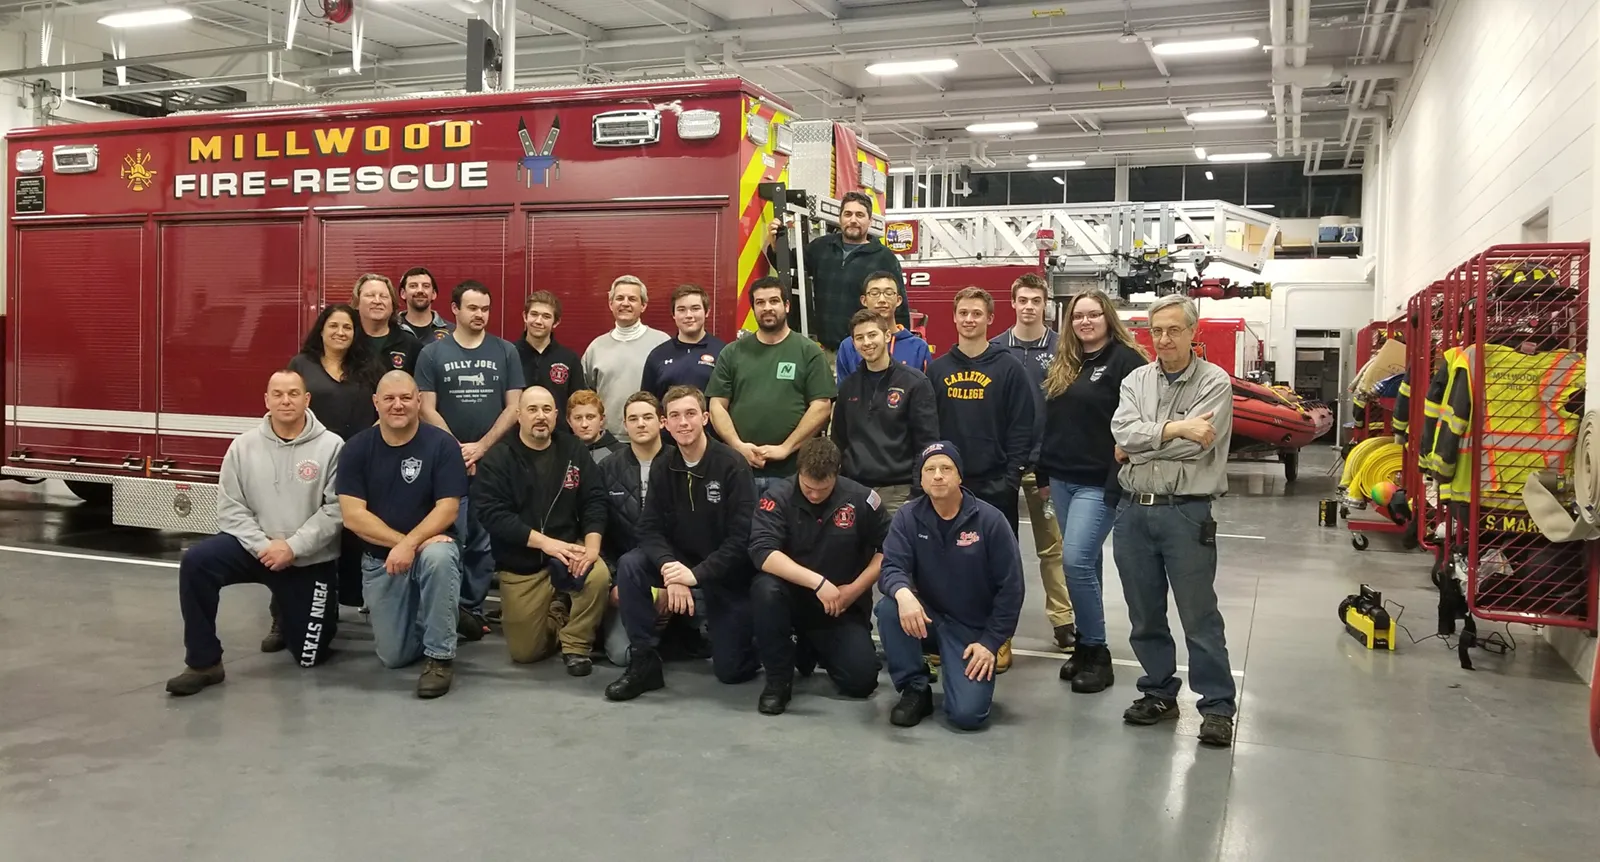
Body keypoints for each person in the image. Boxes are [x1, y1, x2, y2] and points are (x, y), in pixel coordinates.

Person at [166, 369, 344, 696]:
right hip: (255, 551)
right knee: (197, 562)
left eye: (293, 393)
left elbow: (336, 510)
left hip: (307, 559)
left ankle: (290, 607)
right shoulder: (242, 447)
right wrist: (265, 547)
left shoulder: (332, 446)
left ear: (306, 399)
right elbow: (231, 509)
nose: (285, 400)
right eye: (277, 394)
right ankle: (204, 662)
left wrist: (292, 547)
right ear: (266, 400)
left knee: (309, 655)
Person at [1110, 293, 1237, 747]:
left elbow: (1199, 445)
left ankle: (1217, 704)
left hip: (1186, 510)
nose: (1164, 339)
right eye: (1156, 330)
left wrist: (1143, 442)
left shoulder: (1215, 382)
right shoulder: (1136, 380)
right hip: (1132, 510)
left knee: (1199, 615)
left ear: (1192, 332)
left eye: (1174, 330)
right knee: (1144, 613)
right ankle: (1159, 691)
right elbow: (1121, 431)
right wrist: (1178, 427)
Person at [604, 385, 759, 701]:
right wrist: (669, 569)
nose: (683, 422)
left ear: (704, 418)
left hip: (725, 573)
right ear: (665, 423)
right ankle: (644, 663)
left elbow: (741, 539)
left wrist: (695, 575)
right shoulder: (665, 464)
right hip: (678, 563)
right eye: (674, 416)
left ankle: (759, 639)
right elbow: (649, 528)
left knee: (730, 672)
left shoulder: (732, 465)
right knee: (631, 563)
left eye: (690, 414)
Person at [1037, 289, 1149, 693]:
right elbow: (1055, 423)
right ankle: (1084, 647)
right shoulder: (1068, 362)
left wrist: (1117, 474)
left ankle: (1099, 654)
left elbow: (1141, 422)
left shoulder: (1127, 361)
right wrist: (1045, 475)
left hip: (1100, 483)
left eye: (1093, 315)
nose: (1085, 322)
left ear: (1108, 318)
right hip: (1063, 479)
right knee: (1088, 568)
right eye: (1078, 316)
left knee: (1076, 562)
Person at [337, 371, 468, 699]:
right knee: (393, 657)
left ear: (419, 401)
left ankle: (440, 657)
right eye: (390, 398)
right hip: (383, 560)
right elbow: (353, 516)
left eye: (406, 398)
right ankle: (446, 613)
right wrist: (404, 544)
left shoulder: (442, 445)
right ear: (376, 403)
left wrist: (412, 545)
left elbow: (448, 510)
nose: (398, 405)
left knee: (439, 557)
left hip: (431, 552)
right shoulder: (356, 449)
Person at [926, 287, 1037, 671]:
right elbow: (930, 429)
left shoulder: (1009, 368)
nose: (969, 319)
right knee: (947, 564)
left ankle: (999, 637)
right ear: (953, 318)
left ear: (990, 319)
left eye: (977, 313)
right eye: (963, 313)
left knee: (997, 566)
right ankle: (947, 635)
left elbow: (1023, 426)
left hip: (994, 485)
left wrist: (1011, 477)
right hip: (947, 487)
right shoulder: (938, 370)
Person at [876, 441, 1023, 730]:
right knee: (890, 608)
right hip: (927, 618)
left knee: (968, 716)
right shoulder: (908, 517)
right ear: (921, 479)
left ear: (959, 477)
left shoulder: (991, 521)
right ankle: (915, 687)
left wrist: (990, 643)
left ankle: (962, 677)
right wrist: (904, 595)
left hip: (971, 631)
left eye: (946, 468)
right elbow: (891, 567)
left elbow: (1012, 589)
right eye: (930, 469)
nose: (938, 475)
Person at [472, 386, 611, 676]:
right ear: (518, 415)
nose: (540, 416)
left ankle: (576, 644)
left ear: (556, 415)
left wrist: (592, 547)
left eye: (547, 410)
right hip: (521, 562)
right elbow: (492, 515)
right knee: (525, 653)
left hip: (568, 551)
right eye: (532, 409)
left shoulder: (573, 450)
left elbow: (595, 499)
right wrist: (545, 543)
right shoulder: (500, 458)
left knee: (597, 574)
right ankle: (559, 610)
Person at [415, 280, 525, 636]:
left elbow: (514, 408)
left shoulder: (505, 351)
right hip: (446, 462)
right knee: (449, 537)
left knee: (483, 540)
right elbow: (426, 407)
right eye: (473, 308)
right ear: (455, 310)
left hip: (491, 461)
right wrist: (457, 450)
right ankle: (445, 610)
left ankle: (472, 610)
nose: (480, 315)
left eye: (485, 309)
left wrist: (481, 447)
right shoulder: (432, 354)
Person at [749, 437, 884, 715]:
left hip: (840, 606)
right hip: (791, 601)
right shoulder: (777, 497)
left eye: (822, 490)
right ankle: (777, 680)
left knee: (861, 681)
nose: (813, 495)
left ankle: (811, 647)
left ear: (837, 474)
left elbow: (890, 550)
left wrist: (854, 589)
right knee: (764, 589)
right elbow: (763, 552)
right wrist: (817, 582)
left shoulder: (862, 499)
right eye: (808, 487)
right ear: (799, 472)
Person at [991, 273, 1075, 651]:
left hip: (1046, 467)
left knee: (1054, 547)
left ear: (1045, 305)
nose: (1029, 307)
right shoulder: (993, 349)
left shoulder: (1061, 349)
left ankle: (1063, 620)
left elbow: (1067, 406)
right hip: (1002, 466)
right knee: (996, 549)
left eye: (1036, 301)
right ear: (1012, 303)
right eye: (1022, 299)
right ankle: (997, 621)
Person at [287, 303, 381, 617]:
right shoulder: (301, 365)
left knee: (355, 533)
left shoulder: (369, 366)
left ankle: (355, 599)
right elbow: (288, 408)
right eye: (334, 326)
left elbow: (387, 408)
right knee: (305, 532)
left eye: (347, 328)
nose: (340, 333)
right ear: (322, 330)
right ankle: (285, 612)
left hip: (360, 463)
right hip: (311, 464)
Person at [707, 276, 835, 488]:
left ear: (786, 305)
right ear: (753, 309)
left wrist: (785, 448)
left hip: (792, 473)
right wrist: (738, 446)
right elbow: (716, 405)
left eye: (774, 301)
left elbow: (821, 407)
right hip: (740, 469)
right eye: (760, 302)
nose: (767, 307)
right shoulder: (732, 352)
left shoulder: (808, 351)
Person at [764, 191, 908, 354]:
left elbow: (899, 307)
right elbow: (789, 264)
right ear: (840, 218)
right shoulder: (822, 247)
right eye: (848, 214)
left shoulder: (885, 258)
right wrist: (776, 243)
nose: (853, 220)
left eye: (860, 215)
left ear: (870, 221)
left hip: (867, 351)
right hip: (827, 350)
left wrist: (900, 348)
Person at [832, 309, 939, 519]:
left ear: (887, 336)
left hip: (900, 494)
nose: (867, 343)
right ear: (853, 343)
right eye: (859, 338)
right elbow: (839, 440)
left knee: (896, 552)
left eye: (872, 335)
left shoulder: (914, 383)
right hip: (856, 491)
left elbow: (926, 444)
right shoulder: (848, 387)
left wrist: (917, 492)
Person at [597, 391, 674, 666]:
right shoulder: (607, 468)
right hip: (626, 574)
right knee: (621, 656)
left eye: (647, 417)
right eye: (633, 419)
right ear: (624, 425)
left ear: (662, 422)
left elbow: (695, 533)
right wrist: (616, 581)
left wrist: (670, 582)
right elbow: (596, 531)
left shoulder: (681, 463)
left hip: (676, 575)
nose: (640, 424)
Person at [583, 275, 670, 436]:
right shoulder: (596, 348)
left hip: (653, 438)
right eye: (619, 298)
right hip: (607, 440)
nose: (625, 303)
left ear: (643, 305)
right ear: (611, 304)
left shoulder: (662, 343)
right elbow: (586, 398)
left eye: (632, 299)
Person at [834, 271, 932, 379]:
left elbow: (925, 390)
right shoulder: (849, 346)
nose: (882, 300)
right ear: (864, 300)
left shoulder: (918, 347)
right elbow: (844, 391)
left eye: (888, 293)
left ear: (898, 300)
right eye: (874, 294)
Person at [641, 283, 726, 401]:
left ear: (707, 312)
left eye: (695, 309)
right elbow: (647, 403)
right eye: (681, 310)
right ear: (673, 314)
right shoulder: (657, 355)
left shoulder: (723, 352)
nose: (688, 315)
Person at [516, 291, 587, 424]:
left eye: (546, 316)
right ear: (525, 316)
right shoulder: (509, 354)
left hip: (559, 439)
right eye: (534, 314)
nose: (538, 321)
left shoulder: (569, 359)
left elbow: (577, 405)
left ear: (556, 322)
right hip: (516, 438)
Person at [352, 273, 423, 374]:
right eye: (370, 295)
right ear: (357, 303)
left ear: (392, 305)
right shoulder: (347, 341)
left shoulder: (412, 346)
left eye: (384, 296)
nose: (377, 301)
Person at [396, 266, 454, 343]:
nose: (420, 290)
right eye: (413, 286)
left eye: (426, 286)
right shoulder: (391, 329)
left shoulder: (452, 332)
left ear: (433, 294)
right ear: (403, 293)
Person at [565, 389, 624, 464]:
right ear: (569, 421)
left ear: (601, 419)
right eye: (578, 418)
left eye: (590, 417)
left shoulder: (621, 453)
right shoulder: (561, 452)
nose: (584, 424)